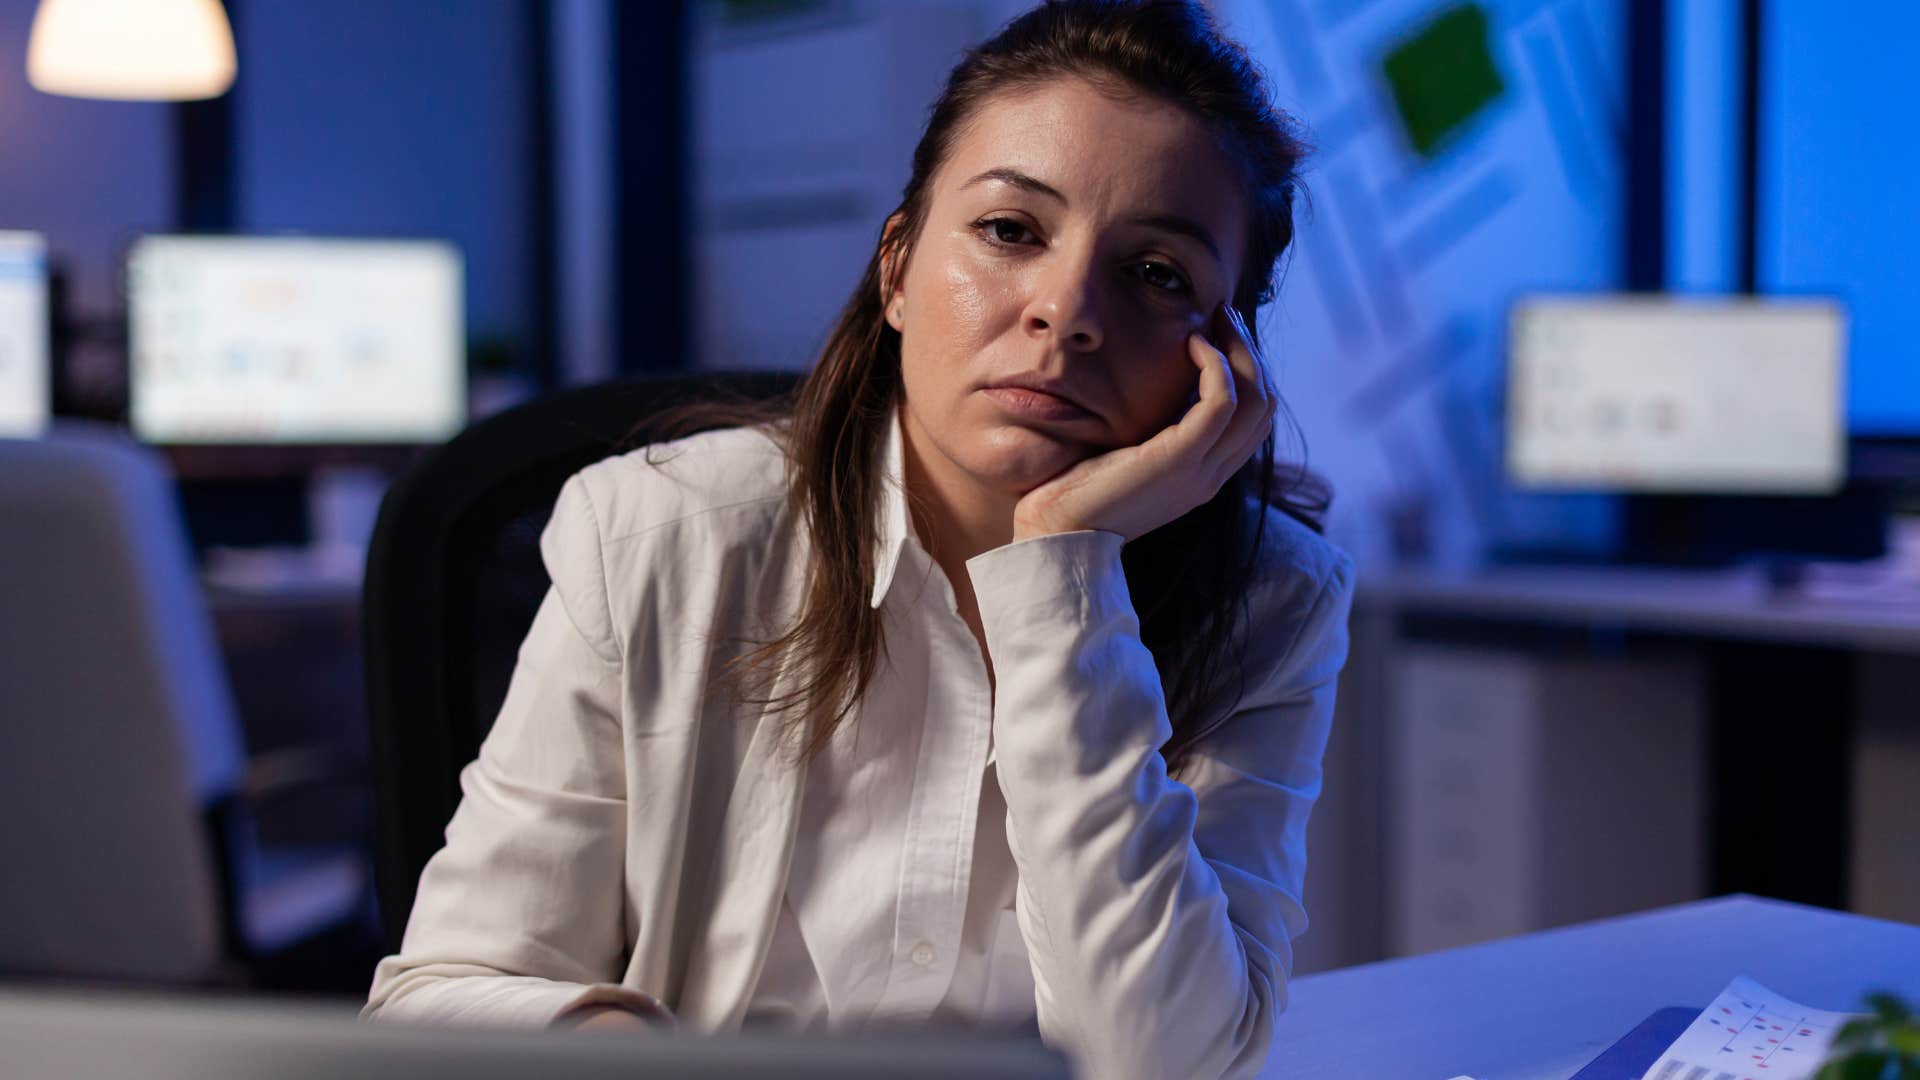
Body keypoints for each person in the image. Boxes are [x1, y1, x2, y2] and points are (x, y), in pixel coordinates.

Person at [364, 1, 1354, 1076]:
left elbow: (1163, 1063)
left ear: (1222, 362)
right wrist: (627, 1053)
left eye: (1156, 274)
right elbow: (436, 1000)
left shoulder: (1271, 603)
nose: (1066, 312)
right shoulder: (658, 534)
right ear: (896, 270)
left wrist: (1066, 571)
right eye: (1010, 230)